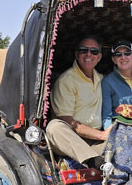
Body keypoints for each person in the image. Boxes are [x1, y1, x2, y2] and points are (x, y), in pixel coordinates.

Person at [46, 36, 108, 167]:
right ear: (77, 54)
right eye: (84, 50)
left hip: (95, 142)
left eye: (94, 51)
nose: (89, 54)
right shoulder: (66, 80)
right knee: (54, 126)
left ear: (99, 57)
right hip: (68, 141)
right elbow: (67, 120)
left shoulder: (102, 80)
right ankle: (94, 161)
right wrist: (101, 135)